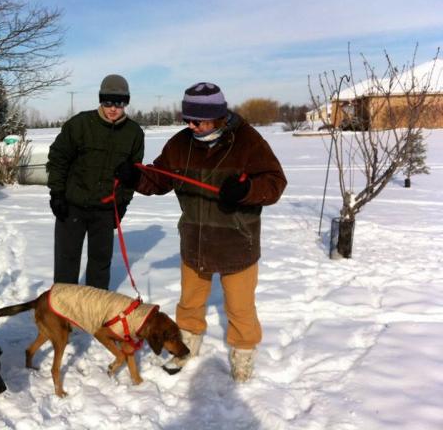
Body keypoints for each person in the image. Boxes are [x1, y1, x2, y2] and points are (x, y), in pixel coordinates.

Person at [115, 82, 287, 382]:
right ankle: (188, 341)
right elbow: (160, 178)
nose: (192, 126)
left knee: (240, 307)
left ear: (218, 117)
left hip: (237, 241)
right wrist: (135, 177)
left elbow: (275, 183)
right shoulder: (182, 143)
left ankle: (243, 352)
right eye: (187, 120)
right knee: (190, 303)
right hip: (195, 239)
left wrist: (247, 189)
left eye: (198, 120)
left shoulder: (247, 141)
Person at [46, 74, 144, 290]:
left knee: (100, 265)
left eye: (119, 103)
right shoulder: (80, 124)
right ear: (101, 100)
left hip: (105, 210)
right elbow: (58, 158)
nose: (112, 108)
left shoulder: (133, 133)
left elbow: (134, 176)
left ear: (126, 103)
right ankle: (63, 314)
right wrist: (57, 194)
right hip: (72, 206)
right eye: (107, 101)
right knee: (66, 262)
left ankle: (95, 315)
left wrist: (122, 204)